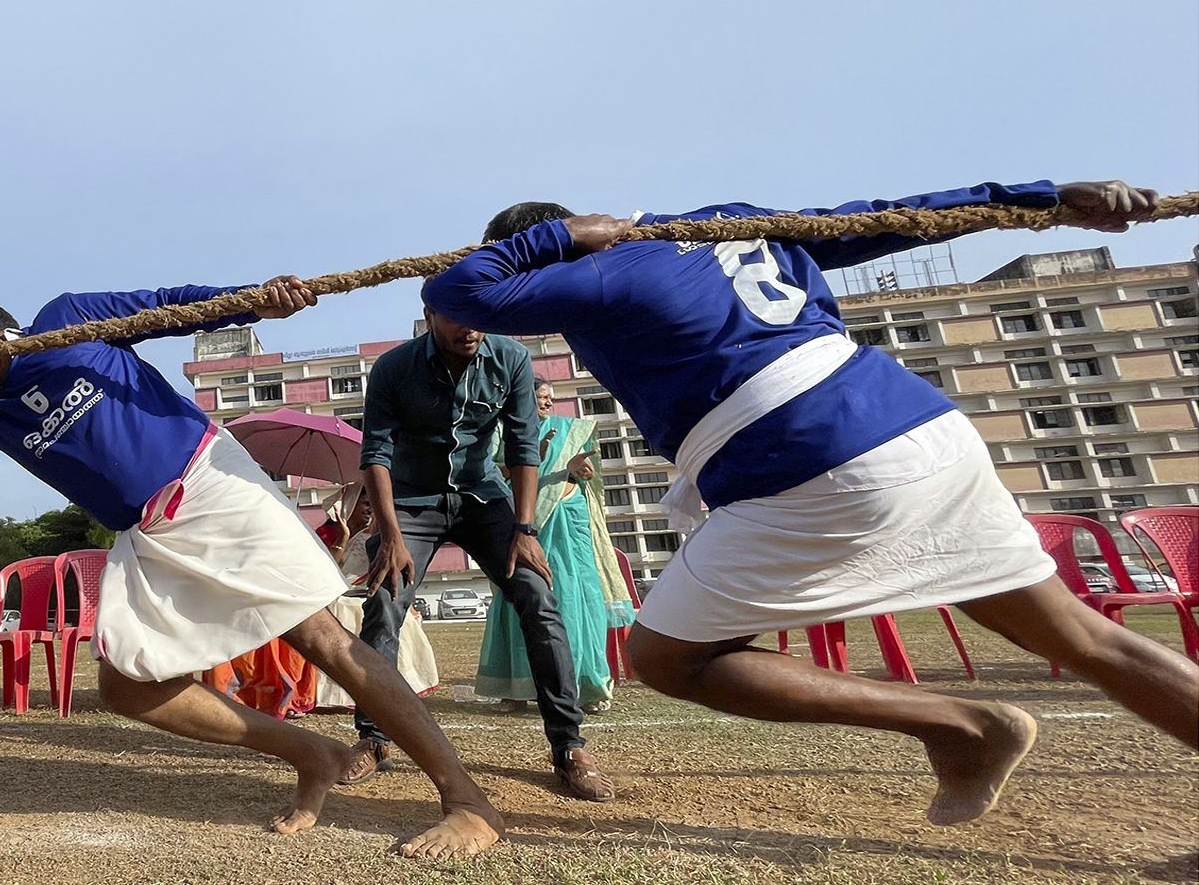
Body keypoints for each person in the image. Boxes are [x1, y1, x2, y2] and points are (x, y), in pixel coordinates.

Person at [424, 179, 1199, 825]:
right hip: (920, 431)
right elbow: (893, 218)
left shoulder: (599, 271)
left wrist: (558, 238)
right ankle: (968, 727)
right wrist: (1045, 198)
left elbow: (458, 289)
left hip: (809, 462)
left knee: (666, 658)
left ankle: (963, 724)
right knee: (1088, 639)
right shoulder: (728, 221)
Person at [0, 281, 507, 859]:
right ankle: (308, 752)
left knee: (326, 642)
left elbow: (176, 304)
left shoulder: (72, 320)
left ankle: (467, 799)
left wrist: (260, 299)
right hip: (146, 535)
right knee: (126, 686)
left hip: (210, 486)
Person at [353, 309, 615, 802]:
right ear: (430, 316)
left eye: (477, 317)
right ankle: (373, 737)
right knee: (385, 606)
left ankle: (569, 746)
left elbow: (522, 446)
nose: (469, 328)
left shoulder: (510, 358)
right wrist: (391, 535)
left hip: (484, 498)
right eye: (455, 319)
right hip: (412, 501)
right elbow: (376, 454)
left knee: (538, 598)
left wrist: (525, 527)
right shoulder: (393, 368)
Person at [477, 378, 631, 714]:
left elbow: (589, 476)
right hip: (524, 525)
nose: (548, 403)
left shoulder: (571, 430)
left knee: (576, 598)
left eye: (550, 397)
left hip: (569, 519)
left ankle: (585, 685)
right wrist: (530, 461)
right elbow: (486, 476)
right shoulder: (503, 430)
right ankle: (516, 688)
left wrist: (579, 471)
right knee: (523, 596)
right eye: (540, 397)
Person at [313, 485, 439, 709]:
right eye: (365, 504)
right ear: (349, 505)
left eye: (373, 504)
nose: (370, 509)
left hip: (365, 596)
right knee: (344, 611)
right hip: (334, 597)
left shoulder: (381, 536)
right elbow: (324, 571)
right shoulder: (324, 534)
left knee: (396, 615)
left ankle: (393, 687)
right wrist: (343, 537)